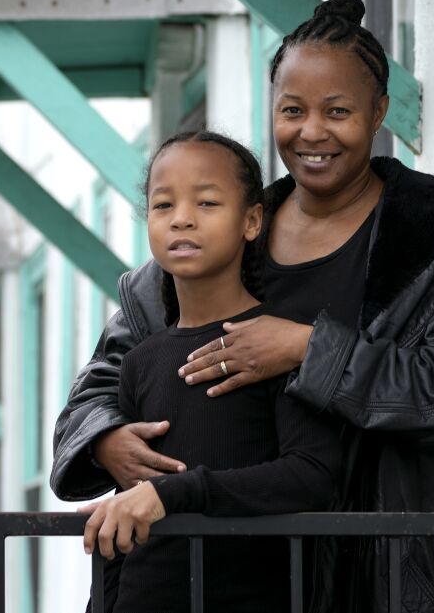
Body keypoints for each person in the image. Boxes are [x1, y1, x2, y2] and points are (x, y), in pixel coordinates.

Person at [54, 0, 434, 613]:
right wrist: (107, 440)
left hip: (394, 575)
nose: (312, 132)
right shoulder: (208, 244)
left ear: (379, 111)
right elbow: (97, 390)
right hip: (236, 584)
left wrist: (309, 349)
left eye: (338, 111)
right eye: (292, 110)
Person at [79, 131, 343, 612]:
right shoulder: (139, 362)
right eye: (163, 206)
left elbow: (312, 475)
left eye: (206, 202)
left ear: (251, 221)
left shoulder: (277, 343)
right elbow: (125, 518)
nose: (182, 218)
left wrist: (176, 493)